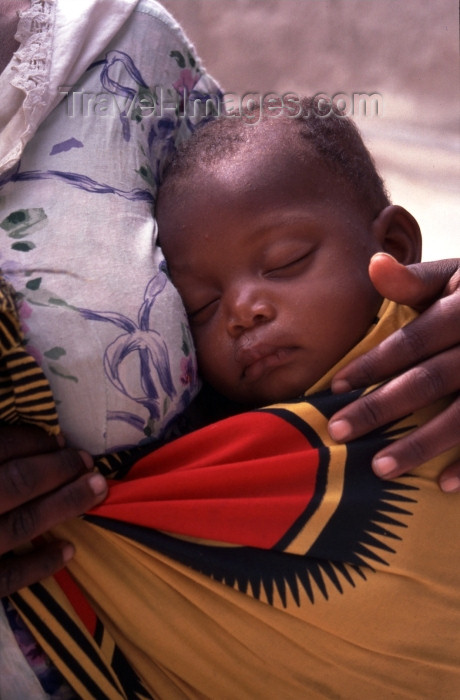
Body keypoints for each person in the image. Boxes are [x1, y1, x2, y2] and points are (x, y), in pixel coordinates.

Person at [0, 0, 459, 695]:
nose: (242, 311)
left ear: (393, 246)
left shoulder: (432, 346)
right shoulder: (187, 456)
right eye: (202, 310)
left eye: (284, 261)